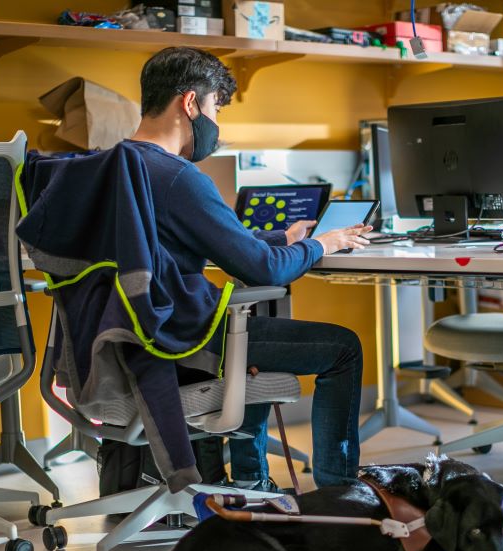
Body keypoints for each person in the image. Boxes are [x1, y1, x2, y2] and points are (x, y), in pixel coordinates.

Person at [123, 46, 371, 489]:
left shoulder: (113, 167)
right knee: (343, 348)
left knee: (252, 333)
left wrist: (284, 238)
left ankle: (251, 480)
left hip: (130, 340)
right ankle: (340, 491)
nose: (217, 123)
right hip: (186, 338)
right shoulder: (178, 177)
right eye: (217, 107)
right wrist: (321, 243)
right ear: (190, 103)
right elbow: (264, 270)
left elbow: (216, 242)